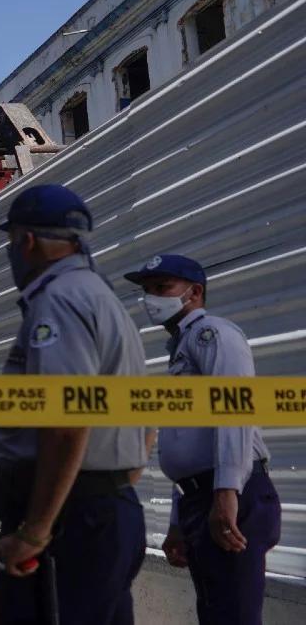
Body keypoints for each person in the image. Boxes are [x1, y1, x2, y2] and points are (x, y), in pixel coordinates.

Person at [0, 184, 149, 625]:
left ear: (27, 241)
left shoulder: (57, 301)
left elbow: (65, 421)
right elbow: (145, 410)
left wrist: (36, 530)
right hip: (107, 508)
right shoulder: (105, 300)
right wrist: (118, 476)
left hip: (69, 522)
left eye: (12, 242)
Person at [124, 254, 281, 624]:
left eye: (162, 288)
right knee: (215, 611)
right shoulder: (182, 349)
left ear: (194, 292)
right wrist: (179, 521)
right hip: (203, 495)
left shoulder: (214, 334)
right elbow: (188, 444)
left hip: (231, 493)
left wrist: (226, 493)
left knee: (232, 616)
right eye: (146, 291)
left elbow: (235, 410)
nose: (151, 299)